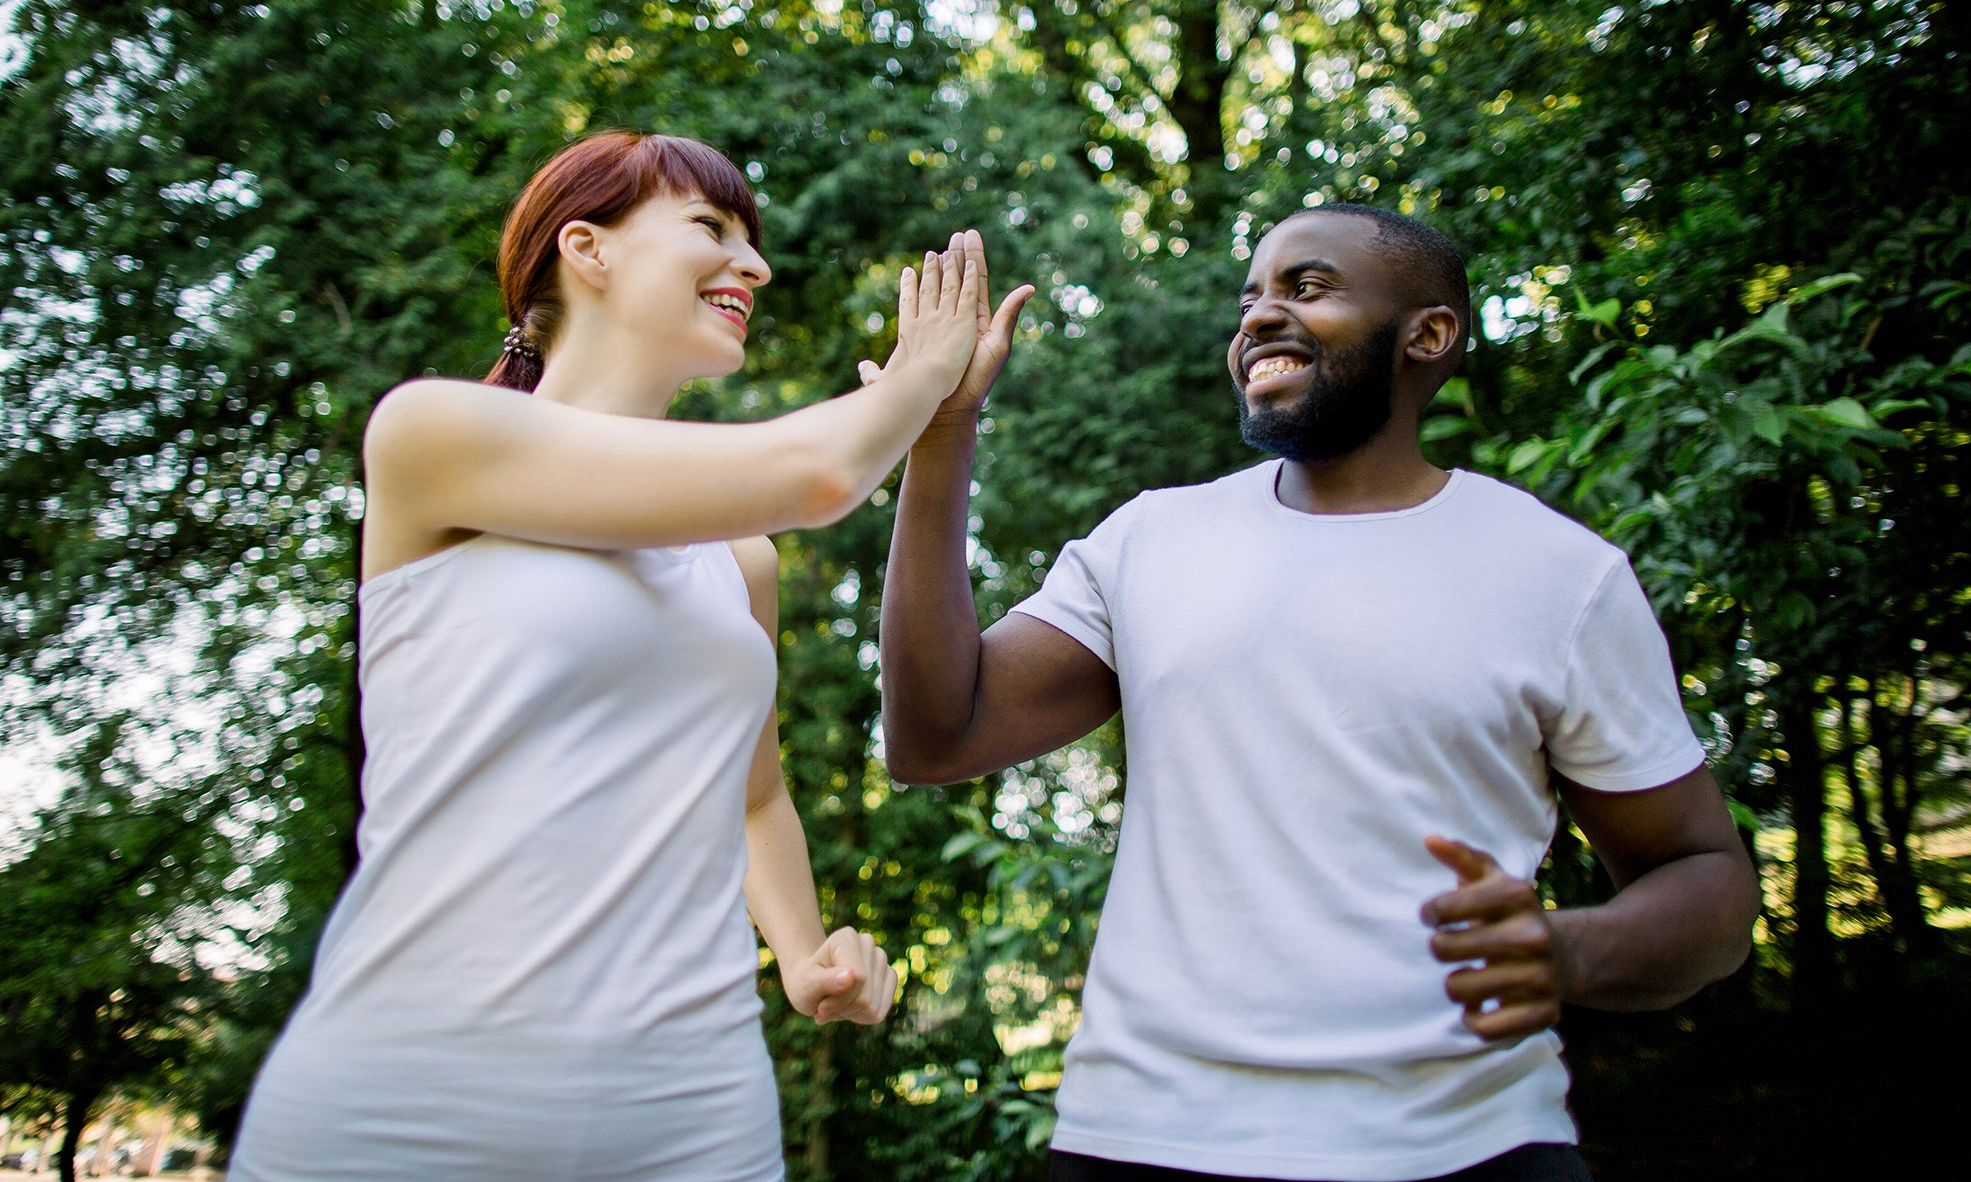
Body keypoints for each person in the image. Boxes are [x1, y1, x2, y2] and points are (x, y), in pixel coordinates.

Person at [877, 213, 1762, 1182]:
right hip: (1144, 1140)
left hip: (1469, 1148)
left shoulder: (1559, 574)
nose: (1258, 317)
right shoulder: (1148, 542)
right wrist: (942, 433)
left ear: (1428, 334)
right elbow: (936, 736)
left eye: (1305, 288)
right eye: (1250, 297)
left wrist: (1566, 951)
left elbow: (1707, 881)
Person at [230, 130, 987, 1180]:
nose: (755, 266)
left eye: (751, 241)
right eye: (711, 227)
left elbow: (755, 795)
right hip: (407, 1101)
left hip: (697, 1114)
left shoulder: (740, 560)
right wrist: (925, 373)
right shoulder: (432, 437)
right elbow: (821, 473)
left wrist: (801, 950)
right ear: (586, 248)